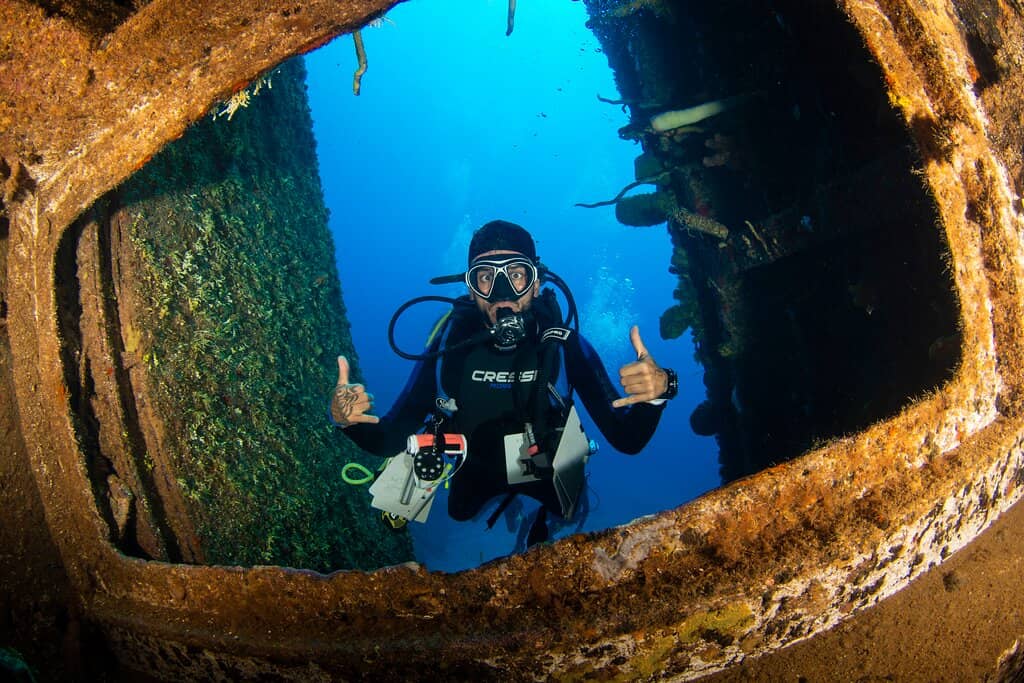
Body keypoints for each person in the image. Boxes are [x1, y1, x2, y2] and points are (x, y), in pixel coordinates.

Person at [330, 220, 677, 545]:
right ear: (470, 290)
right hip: (476, 468)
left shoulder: (561, 345)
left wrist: (660, 391)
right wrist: (348, 421)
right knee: (460, 512)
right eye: (485, 278)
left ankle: (536, 519)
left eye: (516, 274)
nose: (500, 292)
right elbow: (390, 437)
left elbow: (628, 440)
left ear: (536, 283)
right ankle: (510, 508)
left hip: (546, 470)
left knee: (564, 510)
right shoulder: (449, 346)